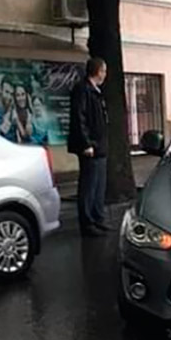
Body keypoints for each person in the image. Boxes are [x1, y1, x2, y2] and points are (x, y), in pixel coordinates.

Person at [67, 57, 110, 238]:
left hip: (99, 145)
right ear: (98, 71)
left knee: (99, 185)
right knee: (89, 186)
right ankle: (87, 222)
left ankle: (98, 218)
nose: (105, 74)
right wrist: (86, 143)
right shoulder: (83, 90)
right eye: (104, 71)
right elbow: (79, 118)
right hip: (90, 147)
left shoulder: (96, 91)